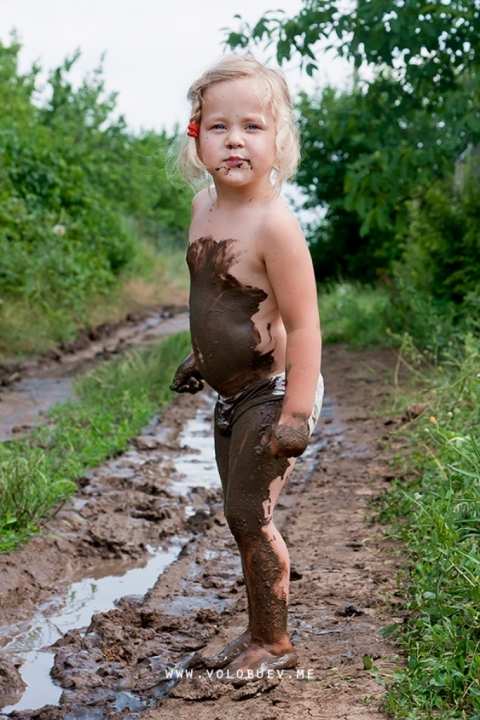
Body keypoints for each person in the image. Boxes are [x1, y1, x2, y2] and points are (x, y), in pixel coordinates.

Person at [170, 52, 324, 679]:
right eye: (219, 127)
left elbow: (306, 323)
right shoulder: (204, 206)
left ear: (278, 140)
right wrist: (199, 356)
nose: (235, 140)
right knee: (240, 517)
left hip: (273, 391)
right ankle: (261, 628)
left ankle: (276, 645)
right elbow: (213, 295)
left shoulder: (275, 226)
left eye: (253, 127)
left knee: (247, 514)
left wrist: (296, 414)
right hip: (230, 394)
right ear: (196, 137)